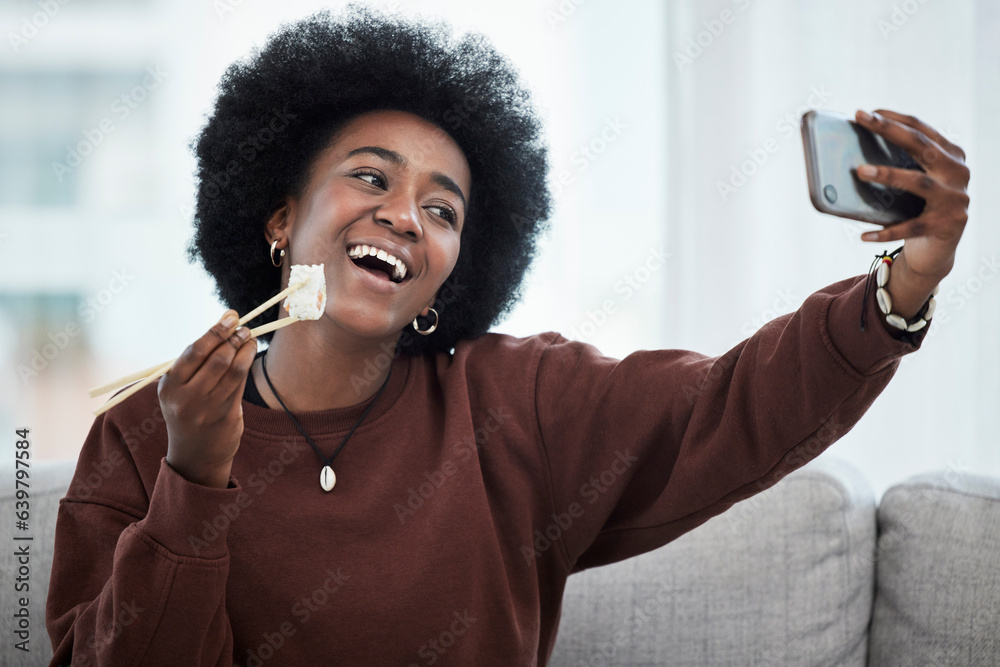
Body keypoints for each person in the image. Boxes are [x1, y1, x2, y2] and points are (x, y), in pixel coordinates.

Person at [45, 4, 970, 666]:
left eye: (441, 208)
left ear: (455, 266)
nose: (405, 215)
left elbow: (729, 404)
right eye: (371, 177)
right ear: (280, 216)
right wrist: (195, 480)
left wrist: (904, 283)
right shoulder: (134, 442)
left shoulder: (514, 402)